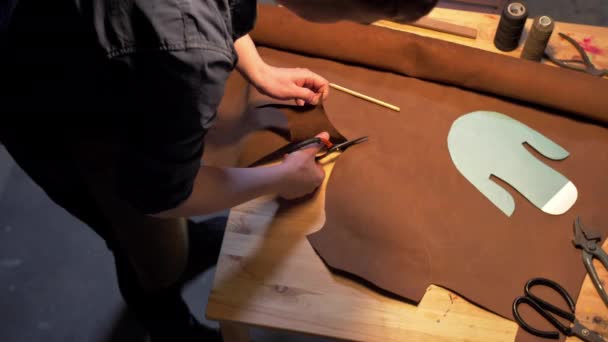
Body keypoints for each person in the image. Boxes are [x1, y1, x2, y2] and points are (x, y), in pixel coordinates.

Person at [1, 0, 437, 340]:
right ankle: (169, 323)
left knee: (173, 216)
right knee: (139, 238)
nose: (363, 28)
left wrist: (257, 68)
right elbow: (161, 196)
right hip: (52, 101)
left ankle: (187, 247)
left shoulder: (187, 41)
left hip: (86, 37)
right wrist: (283, 178)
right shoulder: (187, 50)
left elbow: (212, 12)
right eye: (365, 18)